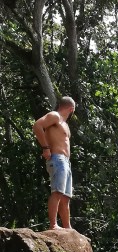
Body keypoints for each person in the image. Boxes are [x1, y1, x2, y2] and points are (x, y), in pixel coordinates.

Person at [33, 96, 76, 230]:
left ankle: (67, 227)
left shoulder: (65, 124)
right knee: (57, 192)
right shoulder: (55, 116)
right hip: (57, 159)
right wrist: (45, 148)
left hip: (66, 162)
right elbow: (37, 125)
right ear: (71, 109)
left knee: (65, 197)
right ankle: (53, 225)